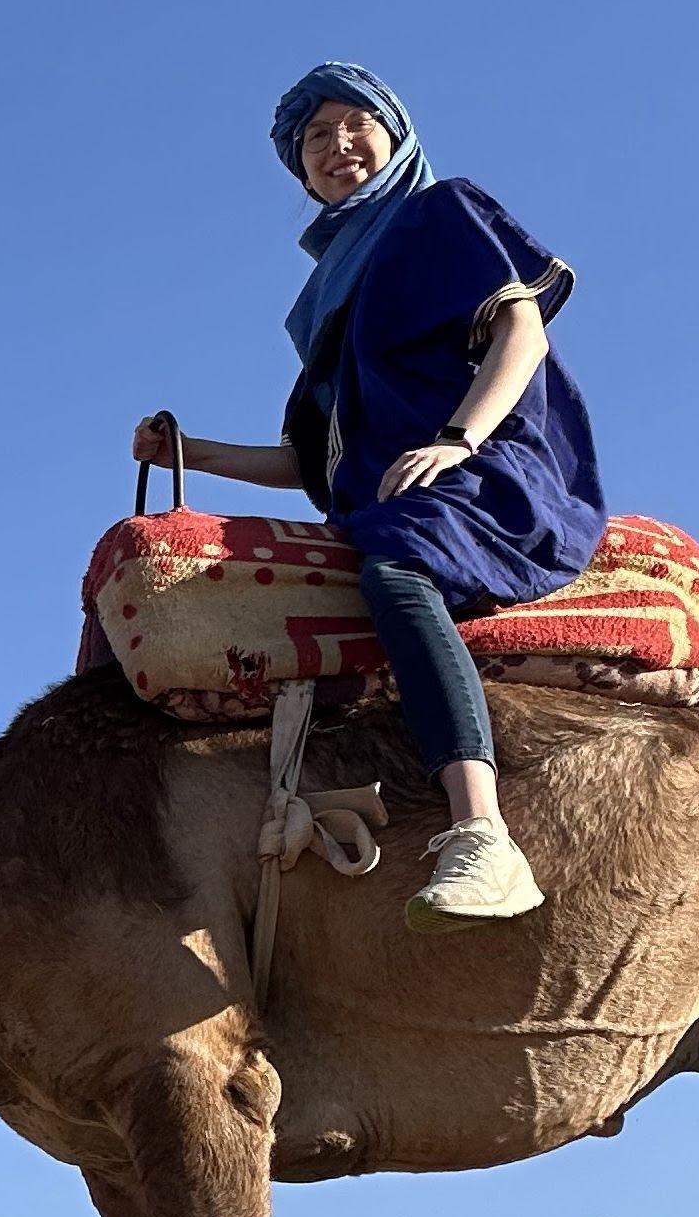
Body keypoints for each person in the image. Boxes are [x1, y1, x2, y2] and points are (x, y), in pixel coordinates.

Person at [133, 63, 604, 929]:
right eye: (315, 138)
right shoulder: (324, 303)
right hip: (384, 498)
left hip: (482, 474)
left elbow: (523, 332)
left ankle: (484, 834)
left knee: (395, 573)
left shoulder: (441, 212)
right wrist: (187, 452)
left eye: (357, 124)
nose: (336, 145)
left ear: (396, 136)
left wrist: (457, 440)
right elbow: (313, 464)